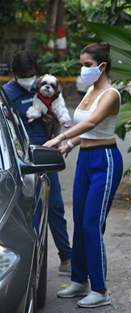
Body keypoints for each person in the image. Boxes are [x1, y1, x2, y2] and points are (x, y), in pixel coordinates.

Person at [44, 42, 123, 308]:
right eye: (82, 64)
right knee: (79, 221)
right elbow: (86, 130)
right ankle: (79, 281)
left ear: (102, 66)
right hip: (86, 158)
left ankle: (100, 290)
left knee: (92, 224)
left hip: (105, 160)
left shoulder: (111, 94)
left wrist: (60, 137)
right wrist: (70, 144)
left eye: (88, 65)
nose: (83, 69)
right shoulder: (90, 89)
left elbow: (92, 122)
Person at [3, 50, 72, 276]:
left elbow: (59, 111)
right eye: (23, 75)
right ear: (14, 74)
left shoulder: (44, 86)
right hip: (19, 159)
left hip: (45, 154)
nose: (28, 78)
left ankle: (66, 256)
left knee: (54, 206)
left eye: (30, 74)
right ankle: (22, 265)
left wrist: (52, 121)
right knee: (21, 212)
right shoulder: (7, 93)